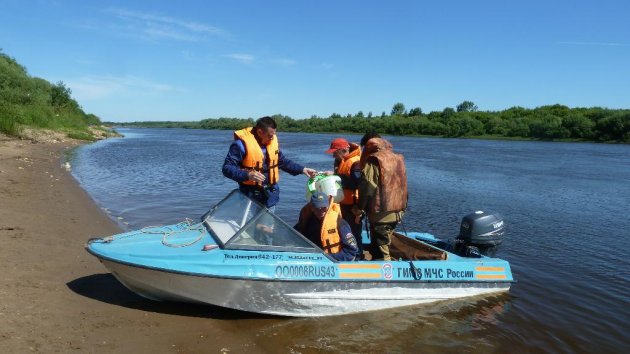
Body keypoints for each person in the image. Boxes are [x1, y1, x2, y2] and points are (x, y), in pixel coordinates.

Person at [222, 116, 317, 209]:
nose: (272, 138)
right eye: (270, 135)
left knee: (267, 224)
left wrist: (302, 169)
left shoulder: (272, 143)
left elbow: (282, 162)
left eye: (274, 135)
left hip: (270, 195)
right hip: (250, 196)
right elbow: (227, 168)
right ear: (260, 132)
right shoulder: (241, 145)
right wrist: (247, 175)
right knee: (251, 224)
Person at [352, 133, 408, 261]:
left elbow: (367, 187)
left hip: (381, 212)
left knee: (381, 249)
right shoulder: (398, 158)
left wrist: (359, 209)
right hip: (398, 210)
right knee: (383, 241)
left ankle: (386, 275)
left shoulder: (374, 160)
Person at [325, 138, 363, 256]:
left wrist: (336, 176)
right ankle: (348, 251)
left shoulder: (356, 162)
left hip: (353, 206)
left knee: (354, 232)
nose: (333, 156)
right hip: (343, 203)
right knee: (345, 230)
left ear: (343, 150)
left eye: (335, 152)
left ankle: (358, 255)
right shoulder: (341, 161)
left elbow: (357, 182)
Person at [294, 192, 360, 261]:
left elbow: (351, 252)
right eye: (317, 208)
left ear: (328, 207)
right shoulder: (307, 221)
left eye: (324, 208)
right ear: (312, 208)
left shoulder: (340, 223)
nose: (321, 211)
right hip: (310, 258)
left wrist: (327, 257)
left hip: (331, 261)